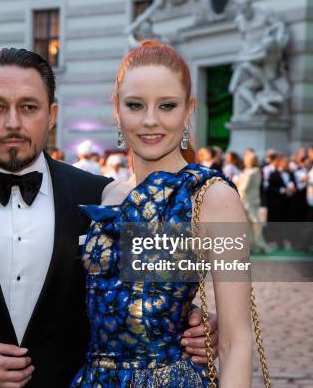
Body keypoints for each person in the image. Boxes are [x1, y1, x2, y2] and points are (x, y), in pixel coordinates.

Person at [0, 47, 218, 388]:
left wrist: (196, 326)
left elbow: (151, 296)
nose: (13, 122)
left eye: (29, 107)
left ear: (52, 114)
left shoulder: (104, 197)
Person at [71, 41, 252, 387]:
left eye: (167, 105)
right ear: (117, 110)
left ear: (188, 111)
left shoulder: (214, 197)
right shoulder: (108, 195)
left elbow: (235, 340)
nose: (150, 120)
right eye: (135, 105)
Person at [235, 151, 269, 253]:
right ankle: (252, 245)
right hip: (249, 200)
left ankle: (260, 244)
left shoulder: (252, 172)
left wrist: (237, 183)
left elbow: (244, 187)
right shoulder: (252, 171)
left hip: (248, 200)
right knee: (249, 223)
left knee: (254, 222)